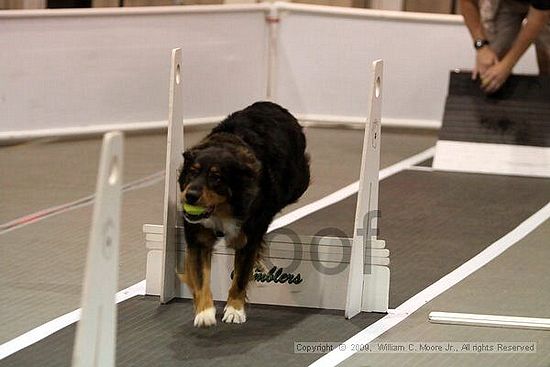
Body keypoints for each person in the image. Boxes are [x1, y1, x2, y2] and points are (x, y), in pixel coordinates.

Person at [460, 0, 550, 93]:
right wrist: (482, 48)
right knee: (491, 65)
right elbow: (467, 2)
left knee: (547, 56)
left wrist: (507, 65)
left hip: (545, 10)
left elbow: (539, 17)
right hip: (505, 3)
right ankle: (491, 103)